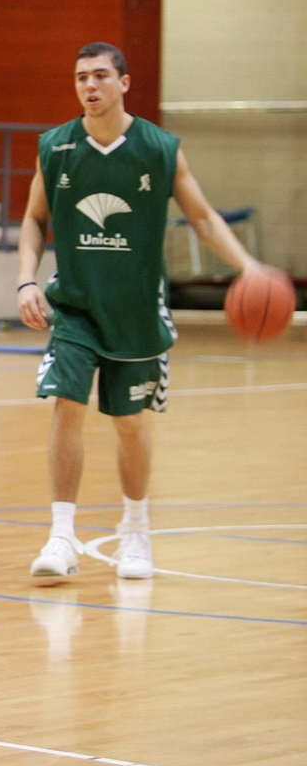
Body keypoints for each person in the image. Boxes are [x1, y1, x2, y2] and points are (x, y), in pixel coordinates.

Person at [17, 41, 270, 580]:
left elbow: (202, 218)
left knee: (129, 422)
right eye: (82, 76)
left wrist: (248, 266)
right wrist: (25, 281)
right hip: (76, 304)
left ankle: (136, 530)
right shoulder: (56, 147)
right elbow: (34, 219)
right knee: (66, 403)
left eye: (101, 76)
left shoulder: (159, 148)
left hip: (135, 309)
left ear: (124, 83)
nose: (90, 86)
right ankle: (62, 537)